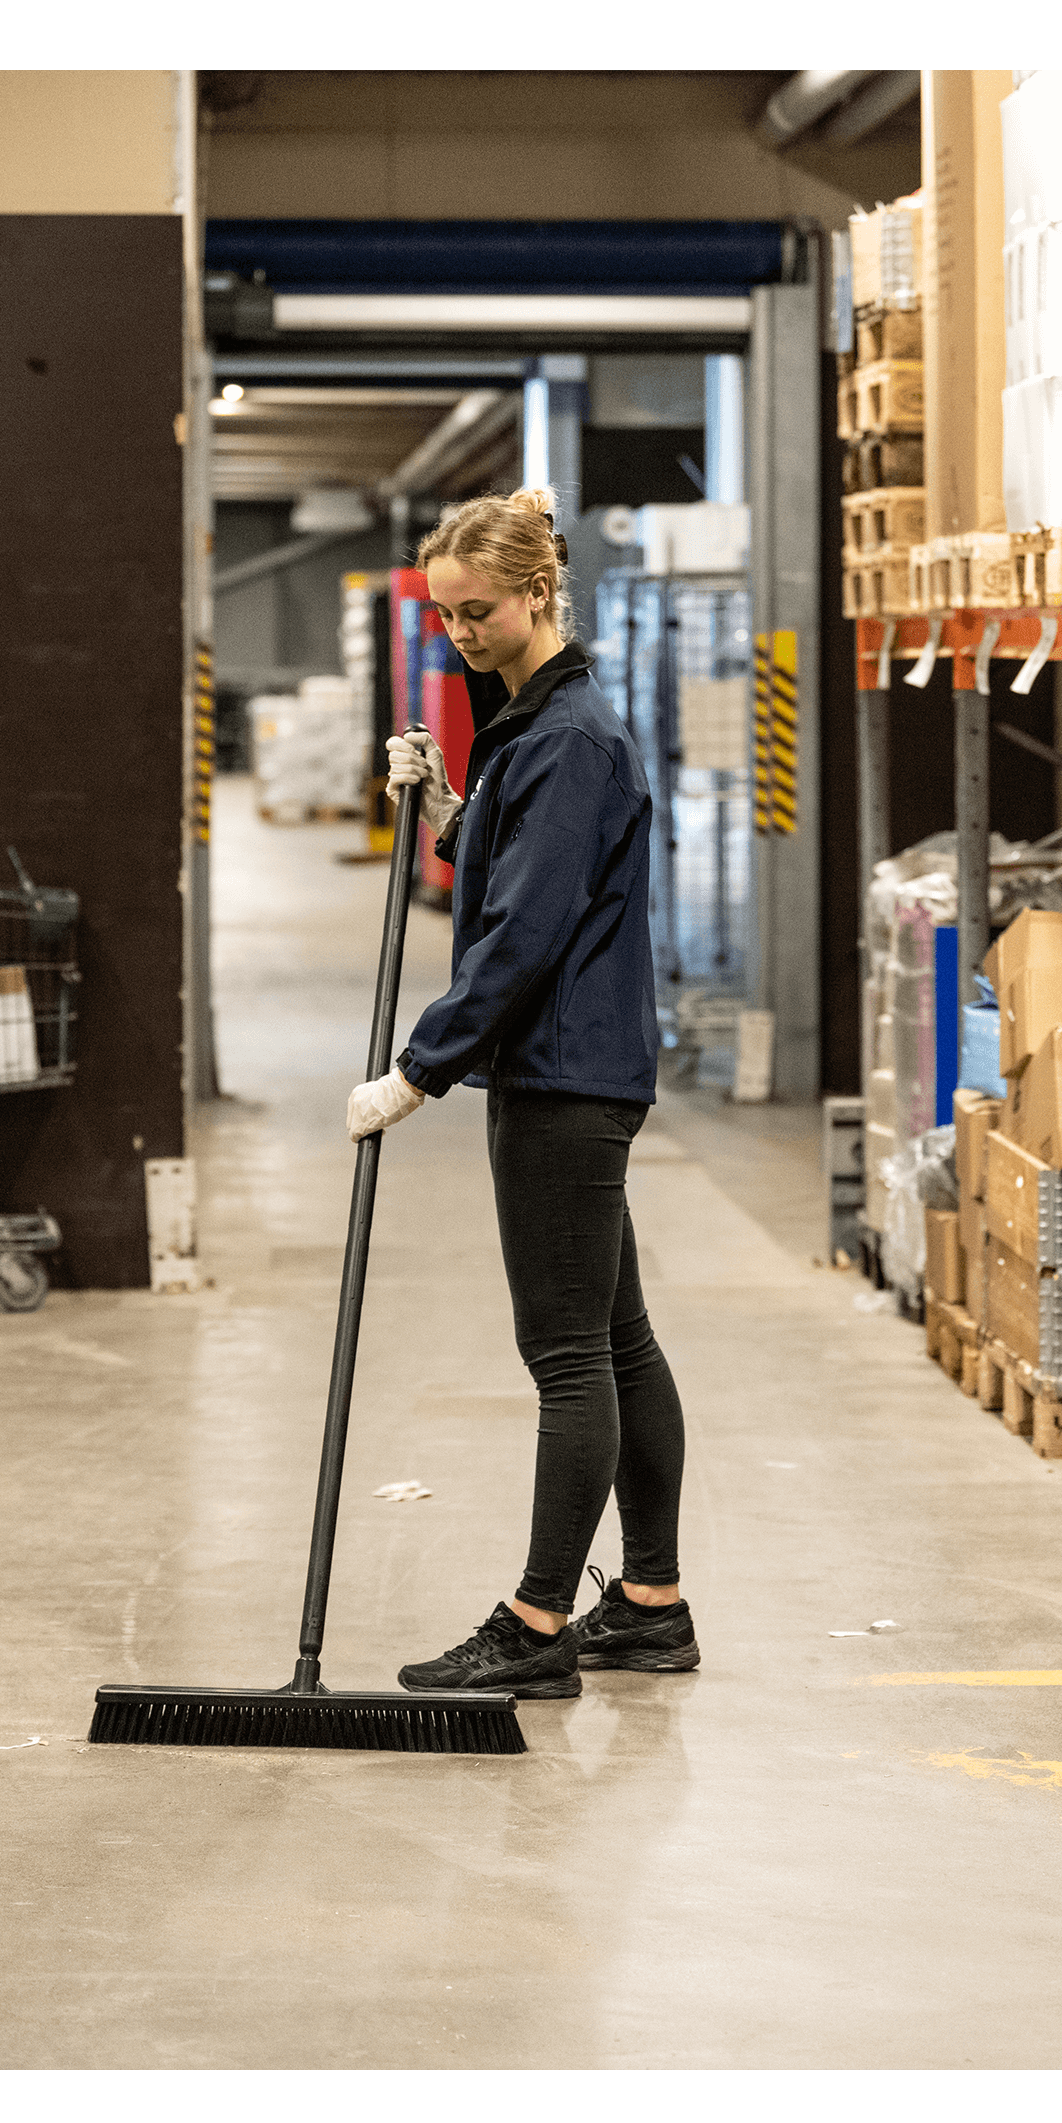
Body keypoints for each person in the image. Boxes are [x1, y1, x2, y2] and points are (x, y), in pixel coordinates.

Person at [344, 484, 696, 1700]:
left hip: (559, 1074)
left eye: (477, 612)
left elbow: (528, 934)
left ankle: (539, 1626)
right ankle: (651, 1604)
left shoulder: (565, 735)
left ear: (538, 594)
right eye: (444, 617)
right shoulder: (543, 728)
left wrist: (418, 1067)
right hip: (579, 1068)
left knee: (567, 1359)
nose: (461, 635)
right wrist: (452, 810)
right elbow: (528, 867)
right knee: (618, 1339)